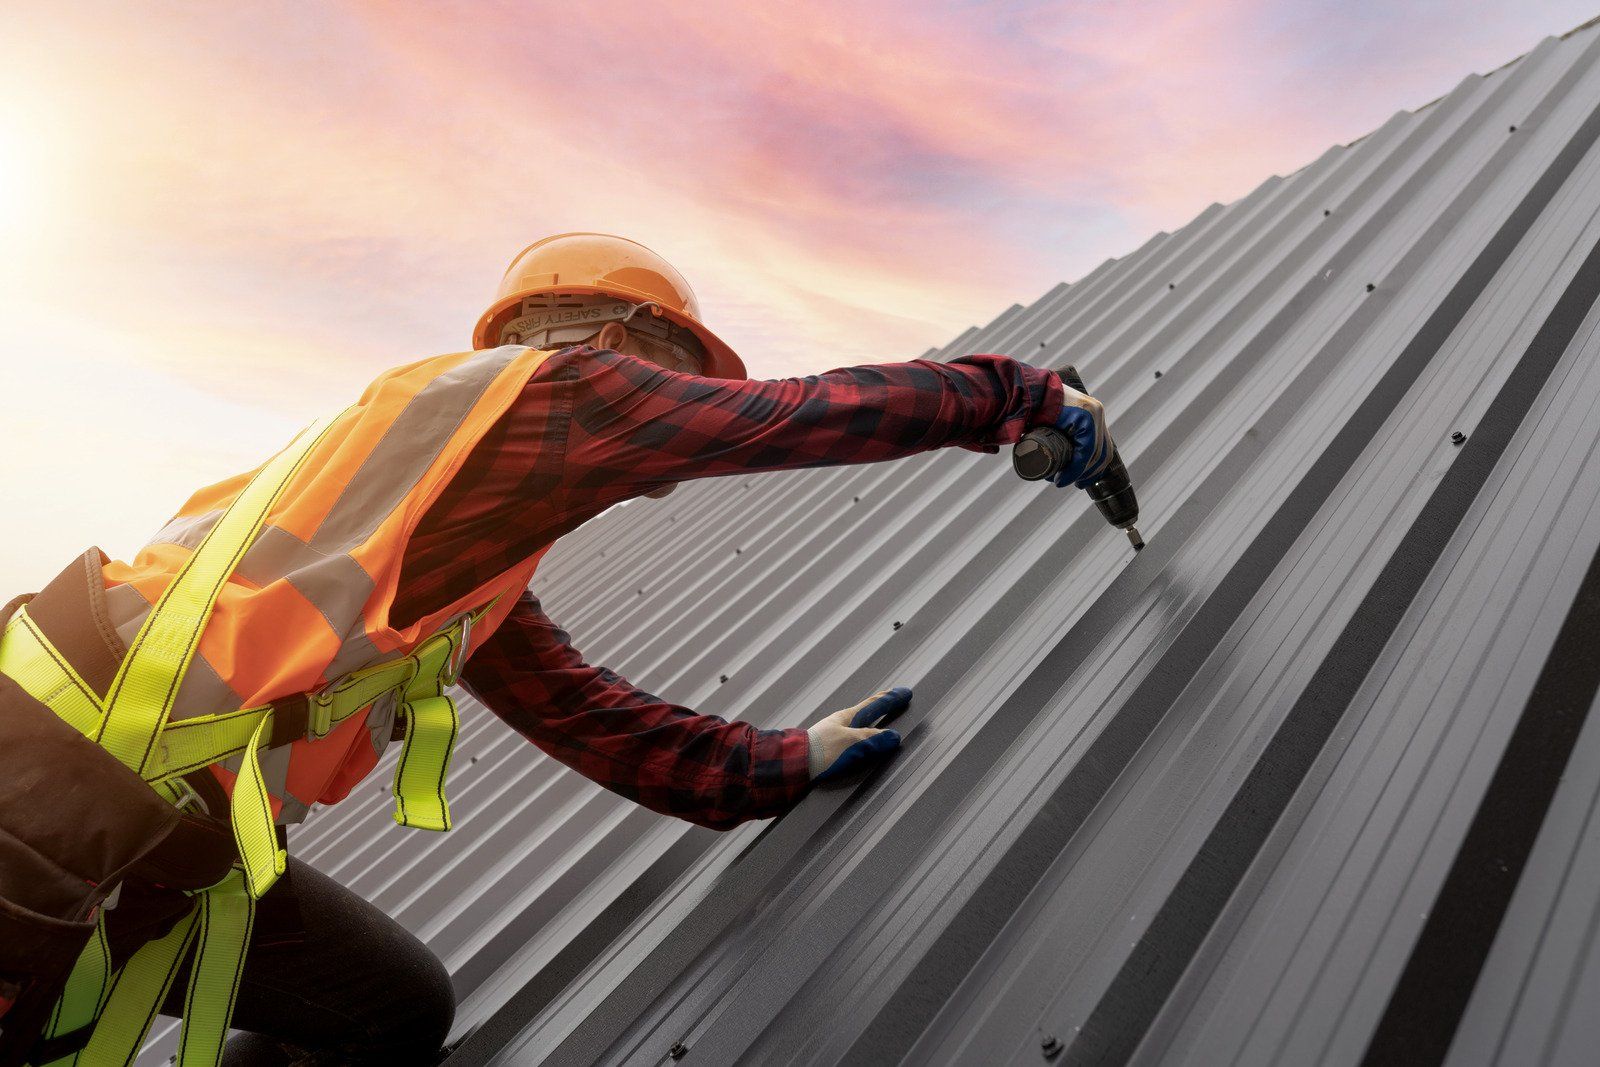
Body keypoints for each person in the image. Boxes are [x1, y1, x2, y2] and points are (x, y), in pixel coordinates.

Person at [0, 233, 1114, 1065]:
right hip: (44, 793)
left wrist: (772, 764)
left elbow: (578, 709)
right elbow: (789, 417)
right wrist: (1016, 398)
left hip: (151, 836)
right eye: (684, 368)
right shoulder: (555, 390)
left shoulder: (447, 526)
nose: (690, 400)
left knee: (390, 1012)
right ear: (621, 339)